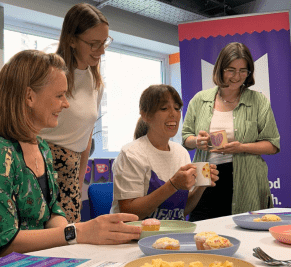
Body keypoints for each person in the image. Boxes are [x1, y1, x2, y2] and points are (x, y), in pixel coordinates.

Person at [0, 50, 141, 260]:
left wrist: (74, 237)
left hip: (39, 261)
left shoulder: (42, 146)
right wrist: (78, 232)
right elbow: (6, 243)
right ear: (29, 96)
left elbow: (53, 211)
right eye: (59, 95)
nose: (66, 104)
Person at [181, 42, 280, 221]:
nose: (237, 76)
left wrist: (241, 147)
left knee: (245, 233)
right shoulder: (200, 100)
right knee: (202, 234)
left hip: (246, 180)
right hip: (205, 176)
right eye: (231, 70)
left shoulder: (258, 101)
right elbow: (186, 137)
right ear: (220, 69)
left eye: (243, 70)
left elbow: (272, 144)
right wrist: (197, 141)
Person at [39, 3, 112, 223]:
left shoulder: (96, 83)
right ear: (71, 39)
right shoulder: (49, 72)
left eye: (104, 43)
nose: (101, 51)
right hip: (39, 165)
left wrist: (79, 181)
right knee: (39, 240)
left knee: (68, 239)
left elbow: (86, 137)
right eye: (93, 44)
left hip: (71, 169)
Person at [110, 84, 219, 220]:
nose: (173, 114)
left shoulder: (181, 152)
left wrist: (201, 187)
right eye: (164, 108)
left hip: (170, 236)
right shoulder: (131, 154)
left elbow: (181, 211)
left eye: (177, 108)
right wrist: (173, 185)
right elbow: (129, 213)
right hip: (134, 237)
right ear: (145, 115)